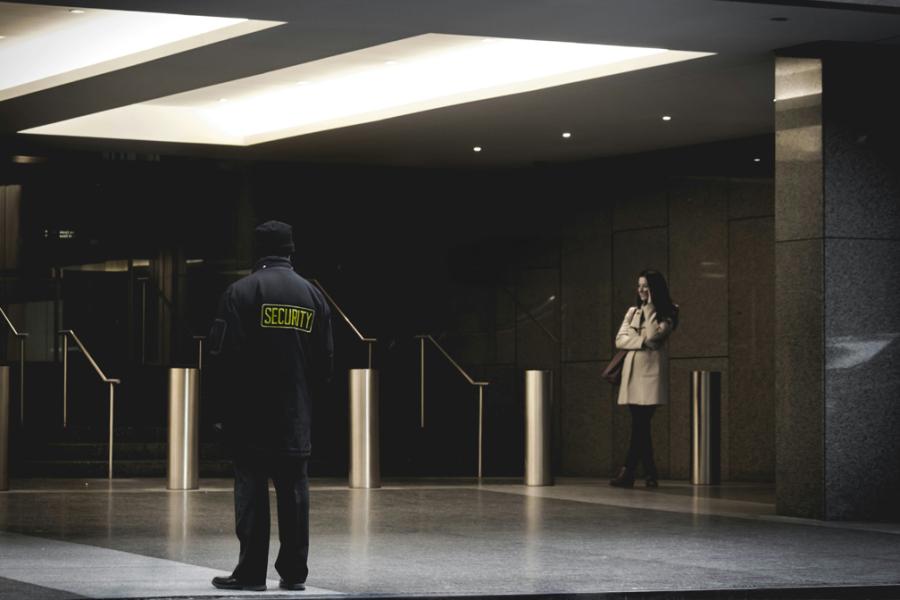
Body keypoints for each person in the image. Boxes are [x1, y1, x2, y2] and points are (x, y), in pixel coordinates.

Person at [208, 220, 333, 591]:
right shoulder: (314, 296)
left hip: (250, 418)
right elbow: (325, 365)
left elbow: (222, 359)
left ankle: (250, 574)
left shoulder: (240, 292)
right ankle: (294, 574)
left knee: (252, 494)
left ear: (258, 251)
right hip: (295, 416)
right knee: (295, 493)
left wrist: (220, 414)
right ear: (291, 250)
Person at [610, 269, 678, 489]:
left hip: (650, 375)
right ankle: (650, 473)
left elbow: (655, 337)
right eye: (639, 285)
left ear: (655, 289)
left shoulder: (669, 312)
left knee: (640, 424)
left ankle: (628, 471)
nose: (641, 290)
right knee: (641, 426)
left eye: (646, 286)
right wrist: (641, 342)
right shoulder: (632, 311)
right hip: (632, 374)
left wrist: (649, 309)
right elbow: (620, 340)